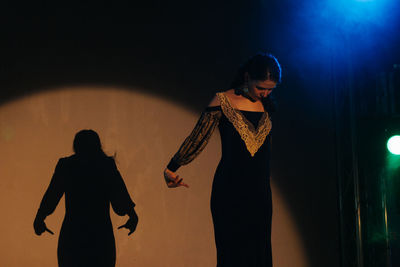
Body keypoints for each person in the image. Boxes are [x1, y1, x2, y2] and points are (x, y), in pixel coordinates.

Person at [164, 53, 281, 267]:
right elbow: (198, 137)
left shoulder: (266, 107)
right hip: (230, 192)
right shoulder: (223, 100)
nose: (265, 93)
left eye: (270, 89)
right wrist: (172, 167)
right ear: (247, 78)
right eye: (260, 88)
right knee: (233, 255)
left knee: (259, 255)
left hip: (260, 195)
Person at [34, 129, 138, 267]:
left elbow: (52, 195)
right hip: (101, 236)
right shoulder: (105, 166)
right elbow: (119, 196)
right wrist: (132, 215)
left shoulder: (67, 166)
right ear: (98, 145)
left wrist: (40, 217)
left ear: (76, 146)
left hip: (73, 235)